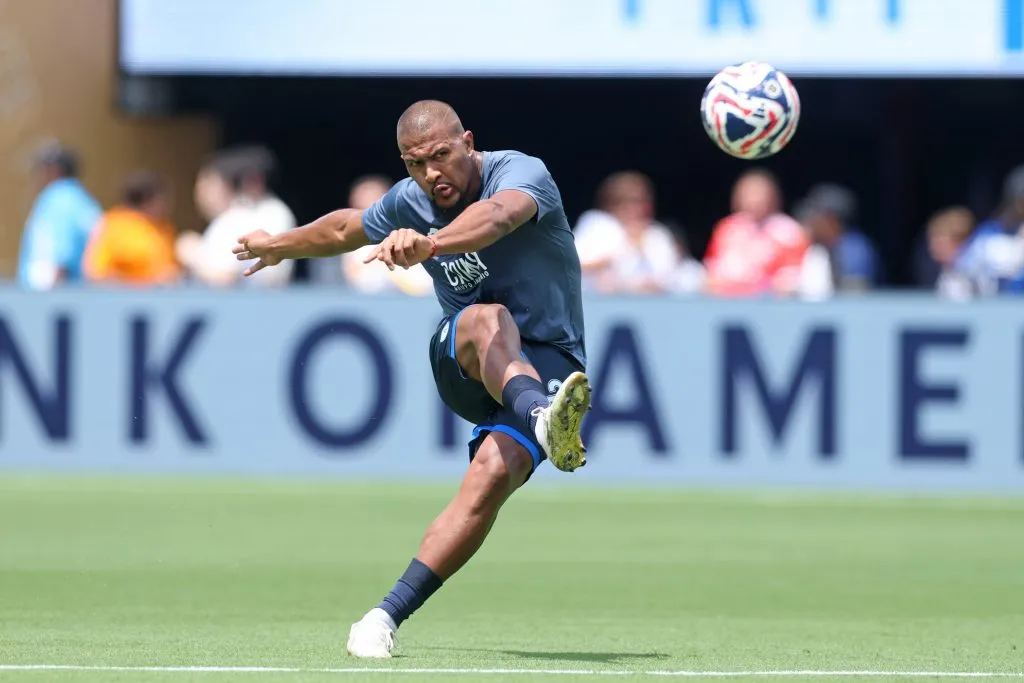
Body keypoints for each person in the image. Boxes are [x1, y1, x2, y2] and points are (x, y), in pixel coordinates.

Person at [232, 100, 592, 658]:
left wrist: (430, 244)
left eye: (442, 156)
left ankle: (381, 618)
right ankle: (542, 417)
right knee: (486, 318)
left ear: (468, 141)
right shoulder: (410, 200)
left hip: (551, 358)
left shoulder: (523, 172)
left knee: (488, 483)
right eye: (415, 163)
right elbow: (347, 228)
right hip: (467, 357)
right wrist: (277, 247)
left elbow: (495, 219)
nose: (431, 174)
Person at [177, 146, 297, 288]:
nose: (201, 195)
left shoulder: (242, 217)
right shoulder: (276, 211)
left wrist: (191, 252)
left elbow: (225, 278)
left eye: (209, 184)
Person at [703, 168, 807, 297]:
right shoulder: (727, 228)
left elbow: (789, 283)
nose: (754, 200)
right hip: (727, 303)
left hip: (769, 306)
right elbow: (712, 274)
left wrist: (754, 289)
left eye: (758, 193)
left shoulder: (789, 232)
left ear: (773, 197)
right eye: (748, 193)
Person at [17, 140, 102, 290]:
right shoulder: (80, 199)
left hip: (56, 300)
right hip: (81, 295)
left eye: (41, 168)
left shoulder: (58, 199)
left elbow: (59, 257)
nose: (37, 174)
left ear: (54, 170)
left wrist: (48, 299)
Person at [83, 171, 180, 287]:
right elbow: (96, 271)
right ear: (147, 199)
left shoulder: (164, 227)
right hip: (127, 299)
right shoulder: (115, 225)